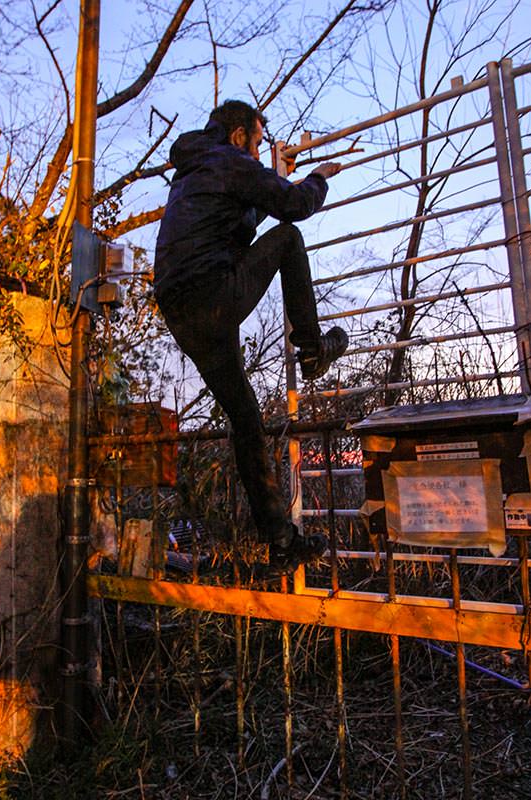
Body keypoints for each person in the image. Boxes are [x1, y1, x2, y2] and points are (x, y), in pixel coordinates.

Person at [154, 99, 348, 572]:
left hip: (182, 311)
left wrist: (276, 177)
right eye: (258, 143)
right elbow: (294, 205)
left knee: (246, 418)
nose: (260, 153)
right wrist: (317, 177)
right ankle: (312, 349)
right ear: (240, 135)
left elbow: (238, 220)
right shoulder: (231, 160)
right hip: (212, 292)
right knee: (288, 239)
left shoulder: (197, 167)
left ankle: (281, 540)